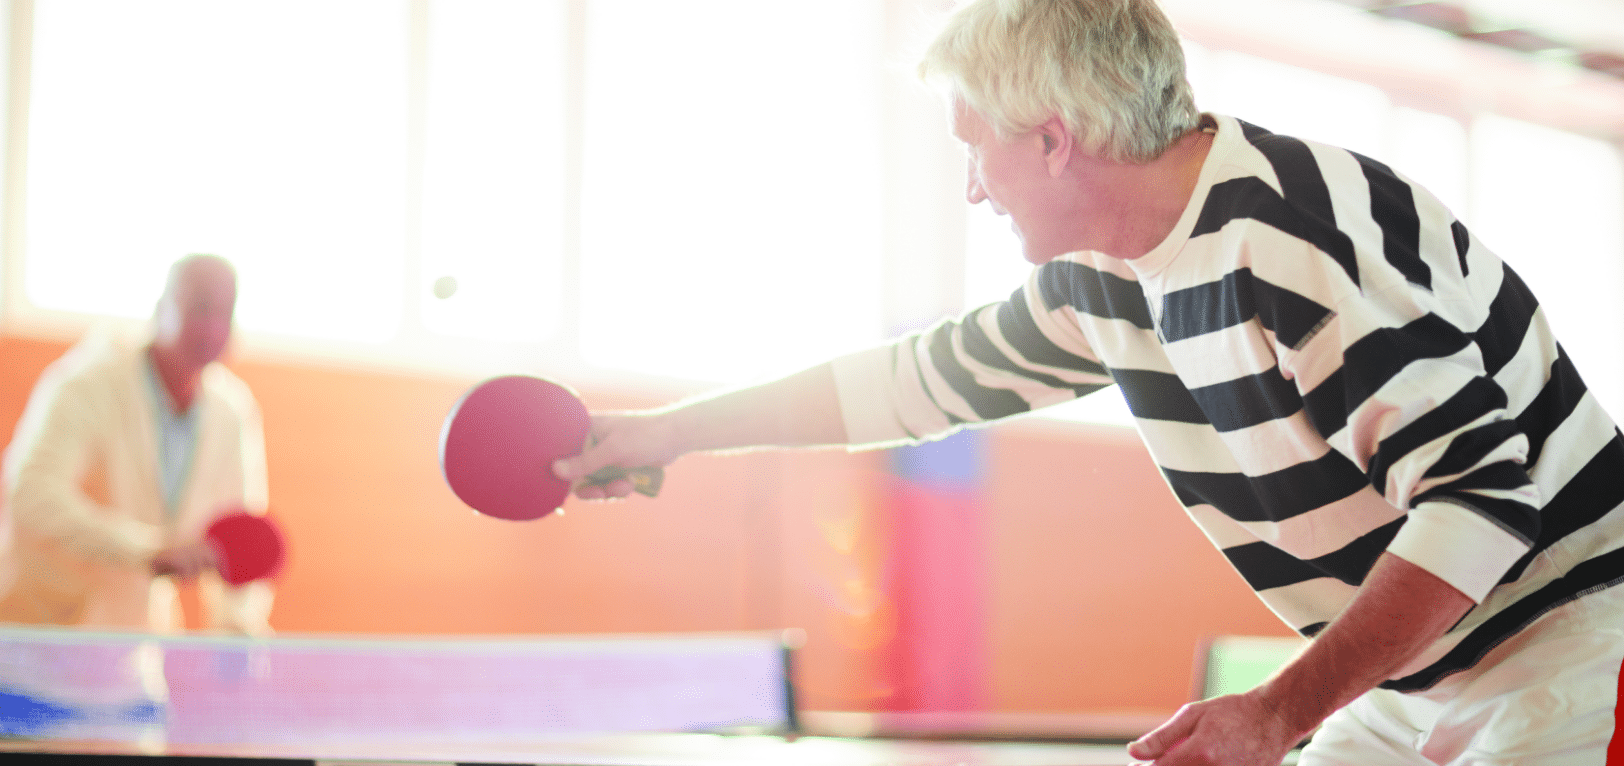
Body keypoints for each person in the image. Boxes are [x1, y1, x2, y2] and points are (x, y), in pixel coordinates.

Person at [553, 0, 1624, 763]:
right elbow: (912, 383)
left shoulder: (1289, 239)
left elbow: (1483, 500)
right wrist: (669, 434)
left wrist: (1276, 712)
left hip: (1575, 640)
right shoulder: (1106, 278)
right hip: (1419, 671)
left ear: (1055, 141)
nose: (972, 189)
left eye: (976, 150)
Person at [0, 254, 273, 635]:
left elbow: (239, 531)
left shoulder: (232, 412)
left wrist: (237, 625)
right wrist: (149, 550)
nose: (212, 326)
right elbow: (32, 494)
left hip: (133, 649)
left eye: (225, 312)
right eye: (199, 307)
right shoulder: (85, 385)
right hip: (41, 638)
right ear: (161, 310)